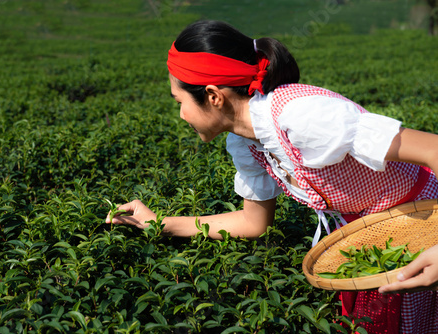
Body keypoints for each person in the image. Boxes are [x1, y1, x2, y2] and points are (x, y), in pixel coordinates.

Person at [105, 20, 438, 333]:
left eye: (179, 101)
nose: (179, 114)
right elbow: (253, 222)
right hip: (375, 239)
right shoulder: (246, 142)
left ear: (213, 96)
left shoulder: (301, 116)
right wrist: (160, 224)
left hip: (425, 223)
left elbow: (433, 149)